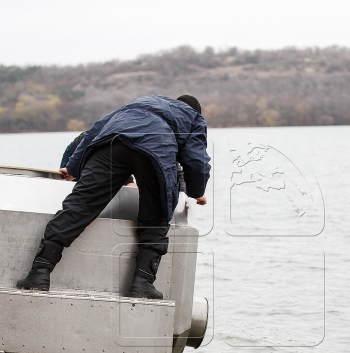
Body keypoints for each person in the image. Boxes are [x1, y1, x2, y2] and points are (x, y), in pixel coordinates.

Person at [16, 95, 211, 299]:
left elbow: (94, 131)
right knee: (157, 216)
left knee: (79, 207)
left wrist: (73, 167)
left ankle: (38, 274)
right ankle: (142, 285)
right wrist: (196, 191)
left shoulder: (142, 102)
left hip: (112, 144)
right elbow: (196, 161)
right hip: (157, 148)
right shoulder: (193, 117)